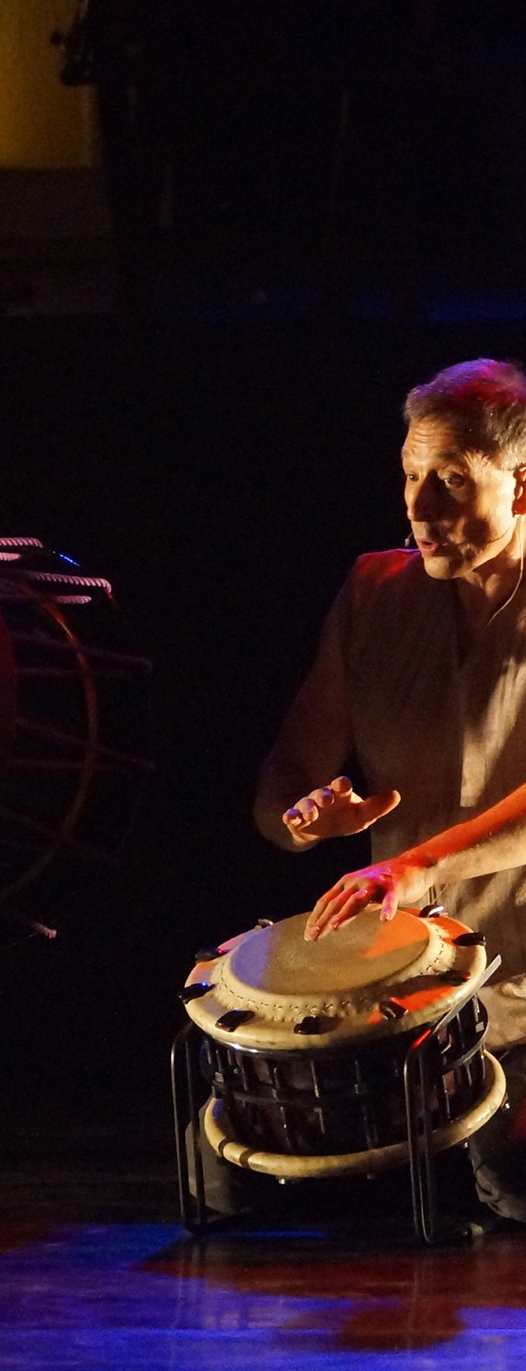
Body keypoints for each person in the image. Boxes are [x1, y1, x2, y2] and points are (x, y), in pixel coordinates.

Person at [254, 357, 526, 1220]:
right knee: (254, 1185)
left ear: (522, 486)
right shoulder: (376, 595)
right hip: (402, 1009)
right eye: (412, 477)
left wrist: (411, 866)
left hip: (522, 1000)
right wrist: (307, 820)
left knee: (513, 1189)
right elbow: (282, 788)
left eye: (450, 480)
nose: (421, 505)